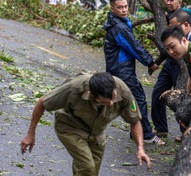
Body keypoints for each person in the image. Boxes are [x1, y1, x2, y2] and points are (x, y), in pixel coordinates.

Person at [20, 72, 152, 176]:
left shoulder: (123, 90)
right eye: (105, 102)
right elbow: (42, 103)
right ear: (92, 96)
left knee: (91, 172)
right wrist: (30, 134)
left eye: (112, 98)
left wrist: (140, 148)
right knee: (87, 167)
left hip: (97, 132)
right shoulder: (74, 88)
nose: (111, 104)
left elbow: (134, 121)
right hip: (70, 126)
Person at [103, 0, 164, 145]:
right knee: (139, 100)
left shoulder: (119, 23)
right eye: (120, 7)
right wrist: (150, 62)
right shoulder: (119, 27)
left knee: (124, 101)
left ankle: (136, 131)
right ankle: (146, 135)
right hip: (122, 70)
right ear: (112, 9)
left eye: (125, 6)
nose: (124, 10)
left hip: (119, 69)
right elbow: (134, 47)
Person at [151, 10, 191, 139]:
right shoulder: (181, 47)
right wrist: (189, 94)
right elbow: (190, 71)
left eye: (175, 26)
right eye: (170, 27)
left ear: (186, 25)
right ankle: (162, 128)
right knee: (158, 93)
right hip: (174, 67)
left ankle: (187, 131)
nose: (172, 30)